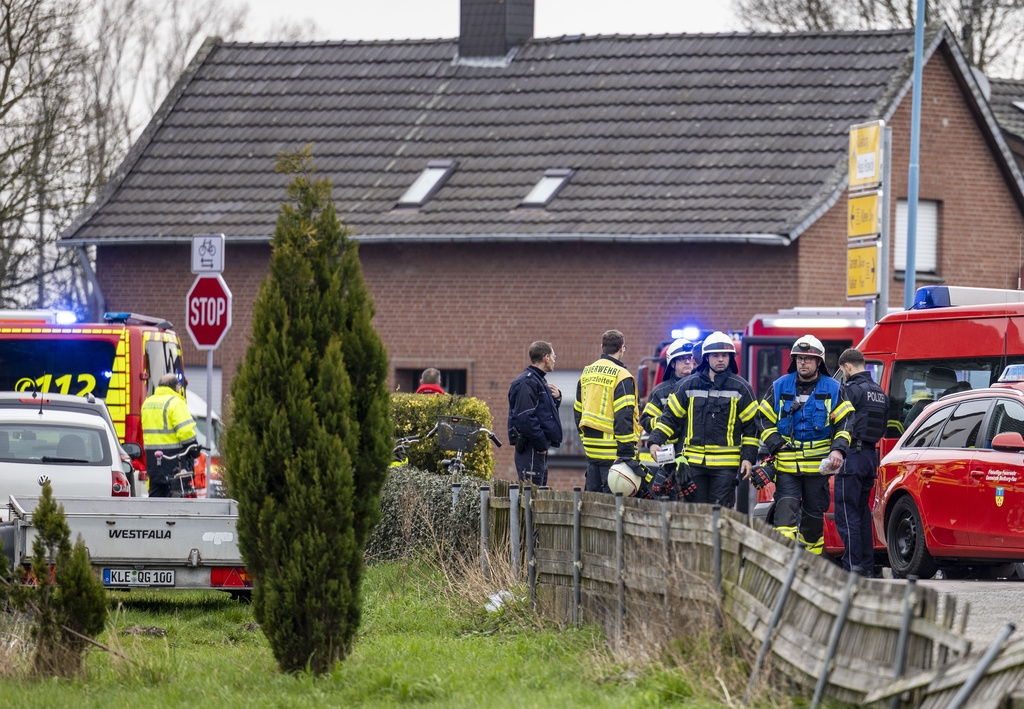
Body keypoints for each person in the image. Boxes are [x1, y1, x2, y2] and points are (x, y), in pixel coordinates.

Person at [756, 335, 853, 555]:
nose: (803, 362)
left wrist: (838, 449)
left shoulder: (833, 388)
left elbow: (846, 422)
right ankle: (783, 562)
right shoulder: (780, 386)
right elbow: (762, 417)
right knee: (784, 516)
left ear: (819, 362)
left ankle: (810, 565)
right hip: (787, 468)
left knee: (812, 522)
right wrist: (776, 443)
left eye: (808, 359)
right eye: (799, 358)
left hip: (816, 470)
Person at [647, 332, 758, 508]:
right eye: (715, 355)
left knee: (720, 515)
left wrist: (748, 457)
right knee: (695, 514)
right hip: (694, 465)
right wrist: (654, 442)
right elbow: (670, 419)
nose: (721, 359)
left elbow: (751, 427)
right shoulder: (687, 386)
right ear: (706, 358)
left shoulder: (742, 389)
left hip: (725, 468)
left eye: (725, 355)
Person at [835, 348, 888, 574]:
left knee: (846, 513)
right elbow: (883, 427)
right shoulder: (880, 392)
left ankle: (852, 568)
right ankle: (866, 566)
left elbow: (839, 420)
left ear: (847, 367)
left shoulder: (851, 390)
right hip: (869, 457)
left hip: (852, 457)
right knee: (862, 512)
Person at [574, 330, 641, 493]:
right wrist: (626, 453)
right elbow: (623, 417)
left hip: (591, 451)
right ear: (622, 348)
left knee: (592, 505)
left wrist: (586, 440)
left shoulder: (587, 373)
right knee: (612, 508)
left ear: (602, 347)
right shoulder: (622, 376)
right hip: (614, 455)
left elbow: (578, 412)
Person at [507, 341, 563, 486]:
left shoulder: (538, 381)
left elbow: (542, 414)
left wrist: (557, 399)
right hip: (531, 449)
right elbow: (526, 418)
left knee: (538, 496)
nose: (554, 359)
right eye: (553, 356)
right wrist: (542, 445)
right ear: (546, 358)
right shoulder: (527, 383)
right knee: (531, 498)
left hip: (537, 449)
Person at [141, 373, 199, 498]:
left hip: (153, 460)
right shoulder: (175, 403)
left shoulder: (147, 403)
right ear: (176, 387)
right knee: (175, 498)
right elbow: (185, 432)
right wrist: (194, 449)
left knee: (156, 497)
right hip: (173, 460)